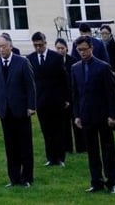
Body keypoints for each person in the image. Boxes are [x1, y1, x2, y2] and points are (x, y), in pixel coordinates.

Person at [71, 35, 115, 194]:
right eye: (79, 50)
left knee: (108, 149)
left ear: (91, 48)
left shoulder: (103, 67)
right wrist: (77, 115)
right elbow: (76, 94)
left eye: (85, 49)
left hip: (103, 115)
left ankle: (111, 182)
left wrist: (112, 115)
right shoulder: (75, 68)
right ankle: (96, 181)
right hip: (86, 115)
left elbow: (111, 94)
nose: (82, 53)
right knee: (92, 151)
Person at [0, 33, 36, 187]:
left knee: (25, 145)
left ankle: (27, 177)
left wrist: (31, 106)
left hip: (21, 109)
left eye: (3, 46)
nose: (0, 49)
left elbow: (30, 86)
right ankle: (13, 177)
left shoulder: (22, 62)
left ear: (10, 46)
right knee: (10, 145)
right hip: (4, 110)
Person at [28, 31, 70, 167]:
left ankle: (60, 158)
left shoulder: (56, 57)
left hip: (56, 99)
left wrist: (66, 98)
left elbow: (64, 79)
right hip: (40, 100)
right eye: (36, 46)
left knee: (58, 129)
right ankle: (50, 157)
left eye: (40, 45)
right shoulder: (30, 59)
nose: (38, 48)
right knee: (46, 130)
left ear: (45, 43)